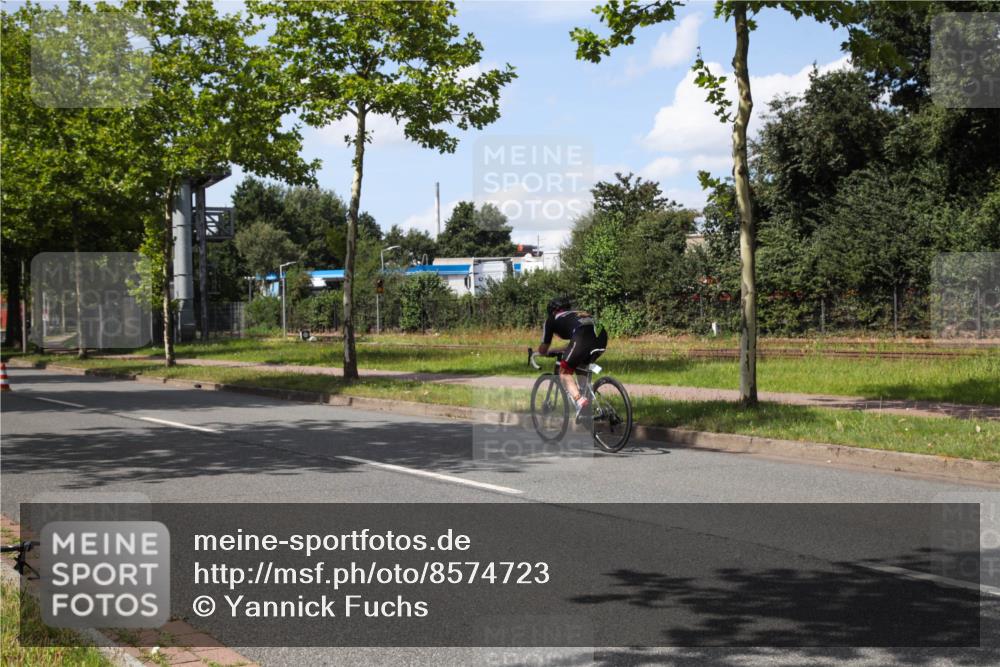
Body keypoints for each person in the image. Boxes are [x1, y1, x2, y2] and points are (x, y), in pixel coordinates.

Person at [537, 296, 608, 415]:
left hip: (582, 337)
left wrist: (537, 353)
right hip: (601, 337)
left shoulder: (551, 319)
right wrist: (557, 350)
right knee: (580, 366)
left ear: (552, 311)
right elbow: (574, 344)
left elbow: (544, 348)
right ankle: (587, 407)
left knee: (564, 372)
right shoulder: (576, 313)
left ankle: (580, 401)